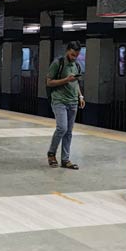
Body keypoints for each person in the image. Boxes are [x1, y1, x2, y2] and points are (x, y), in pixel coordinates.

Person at [45, 41, 85, 169]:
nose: (74, 57)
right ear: (67, 50)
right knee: (62, 128)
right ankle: (51, 153)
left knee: (69, 132)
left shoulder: (77, 65)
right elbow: (49, 82)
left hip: (73, 102)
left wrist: (80, 96)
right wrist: (66, 80)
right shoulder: (58, 63)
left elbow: (76, 83)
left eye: (76, 55)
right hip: (59, 100)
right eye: (73, 54)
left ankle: (65, 159)